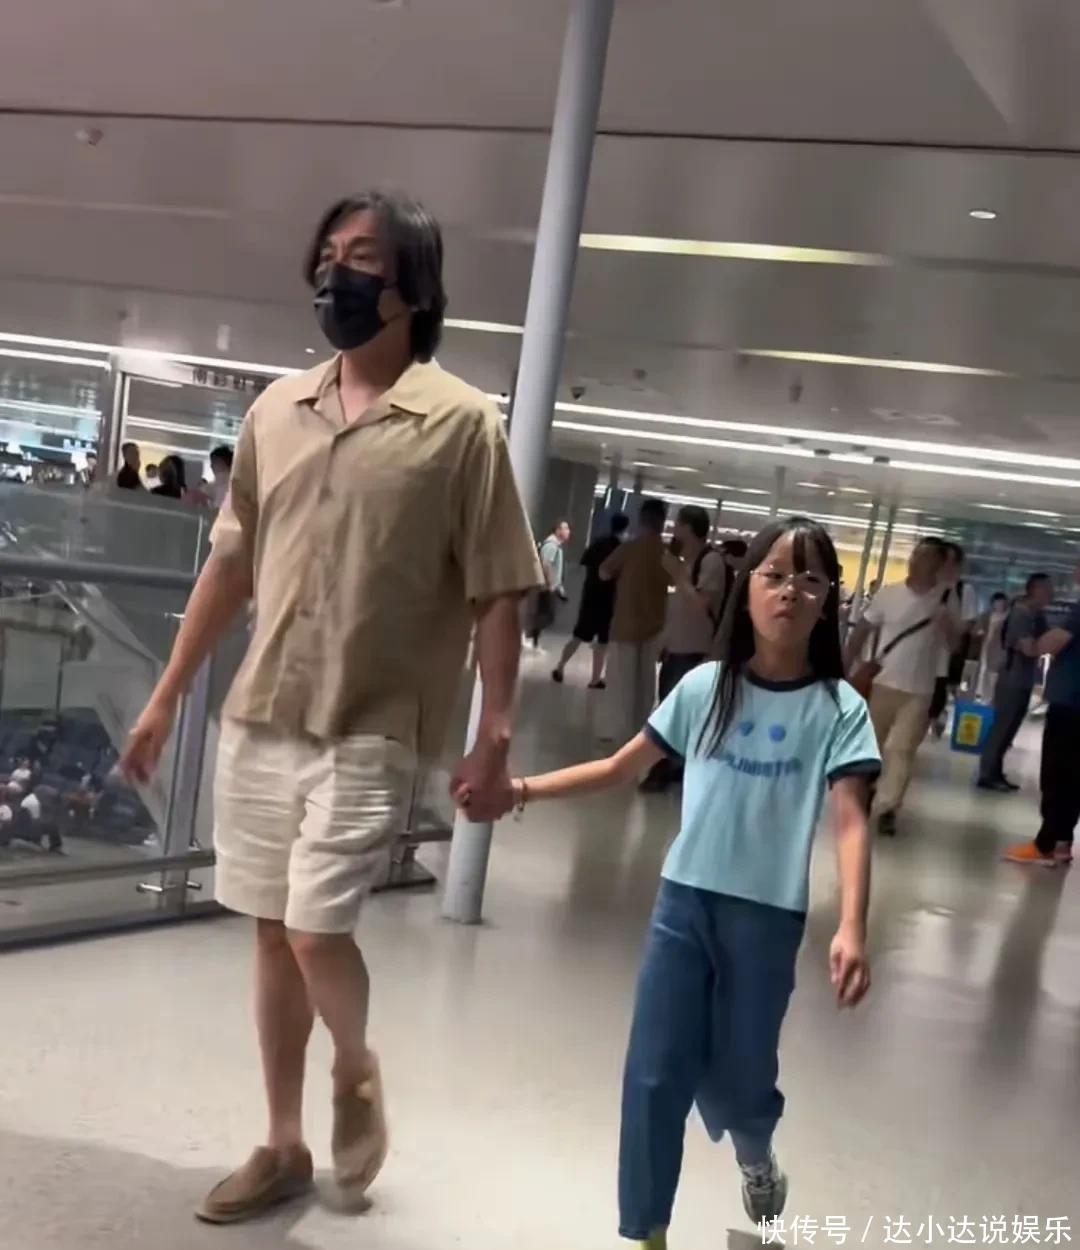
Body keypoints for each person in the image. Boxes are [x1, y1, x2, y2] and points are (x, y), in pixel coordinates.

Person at [121, 188, 542, 1224]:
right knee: (271, 930)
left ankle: (353, 1066)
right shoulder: (276, 411)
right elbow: (230, 563)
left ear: (414, 285)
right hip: (265, 709)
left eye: (361, 256)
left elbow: (498, 587)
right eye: (328, 254)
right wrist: (167, 696)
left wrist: (494, 734)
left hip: (373, 721)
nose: (335, 274)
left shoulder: (462, 426)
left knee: (315, 929)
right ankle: (282, 1141)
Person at [481, 517, 878, 1245]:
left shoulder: (839, 708)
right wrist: (522, 790)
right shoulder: (704, 688)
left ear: (828, 599)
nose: (790, 592)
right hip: (684, 905)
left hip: (767, 920)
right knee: (655, 1075)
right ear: (747, 588)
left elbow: (851, 819)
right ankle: (647, 1232)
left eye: (809, 579)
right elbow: (619, 767)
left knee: (739, 1083)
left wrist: (852, 925)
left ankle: (756, 1158)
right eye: (774, 575)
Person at [844, 537, 958, 836]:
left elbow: (955, 644)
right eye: (915, 556)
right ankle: (867, 791)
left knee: (901, 749)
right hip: (882, 681)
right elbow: (863, 629)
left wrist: (947, 624)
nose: (916, 562)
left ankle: (888, 807)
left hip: (920, 689)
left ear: (938, 564)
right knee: (873, 745)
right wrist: (846, 665)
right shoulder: (889, 594)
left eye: (926, 558)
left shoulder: (946, 599)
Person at [640, 505, 729, 791]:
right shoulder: (689, 561)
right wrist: (665, 641)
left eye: (678, 525)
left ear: (689, 528)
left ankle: (667, 767)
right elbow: (680, 608)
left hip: (696, 650)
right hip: (678, 647)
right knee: (672, 707)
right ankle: (674, 764)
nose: (674, 530)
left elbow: (702, 604)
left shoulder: (710, 561)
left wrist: (678, 574)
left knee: (678, 711)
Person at [1005, 561, 1080, 865]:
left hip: (1070, 703)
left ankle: (1045, 844)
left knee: (1056, 775)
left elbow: (1052, 642)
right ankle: (1062, 843)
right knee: (1073, 777)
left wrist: (1034, 645)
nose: (1075, 571)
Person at [599, 498, 671, 741]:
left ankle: (617, 731)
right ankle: (641, 732)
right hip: (655, 626)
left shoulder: (629, 548)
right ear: (662, 522)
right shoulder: (666, 553)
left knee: (621, 682)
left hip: (625, 623)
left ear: (641, 520)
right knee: (645, 683)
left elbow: (604, 572)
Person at [976, 576, 1052, 792]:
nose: (1052, 594)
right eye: (1048, 589)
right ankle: (987, 773)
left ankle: (995, 771)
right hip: (1012, 678)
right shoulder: (1020, 613)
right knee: (1002, 727)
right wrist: (1043, 645)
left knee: (1010, 728)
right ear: (1036, 589)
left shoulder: (1036, 615)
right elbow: (1029, 648)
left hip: (1023, 679)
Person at [552, 511, 629, 688]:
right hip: (609, 600)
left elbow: (584, 565)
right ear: (626, 528)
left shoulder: (597, 543)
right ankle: (595, 679)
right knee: (602, 641)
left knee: (578, 635)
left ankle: (560, 667)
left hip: (590, 597)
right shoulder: (622, 549)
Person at [928, 542, 977, 736]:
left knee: (935, 696)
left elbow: (966, 625)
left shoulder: (964, 590)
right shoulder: (925, 586)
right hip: (916, 656)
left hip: (944, 657)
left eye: (949, 561)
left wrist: (948, 624)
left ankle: (937, 715)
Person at [525, 519, 571, 647]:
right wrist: (551, 584)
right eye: (565, 528)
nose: (568, 532)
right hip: (546, 587)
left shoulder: (556, 546)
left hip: (549, 586)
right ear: (557, 530)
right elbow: (546, 564)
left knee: (545, 615)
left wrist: (559, 588)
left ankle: (533, 640)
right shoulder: (551, 545)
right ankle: (530, 637)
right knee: (545, 615)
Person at [976, 591, 1010, 702]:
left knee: (993, 673)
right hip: (985, 645)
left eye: (1001, 603)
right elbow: (977, 629)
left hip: (999, 649)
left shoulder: (1008, 618)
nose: (999, 605)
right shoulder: (986, 616)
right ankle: (982, 694)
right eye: (997, 603)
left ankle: (992, 697)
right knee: (983, 670)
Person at [209, 445, 235, 509]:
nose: (211, 466)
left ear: (222, 463)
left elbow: (218, 508)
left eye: (214, 462)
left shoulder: (223, 484)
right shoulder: (235, 482)